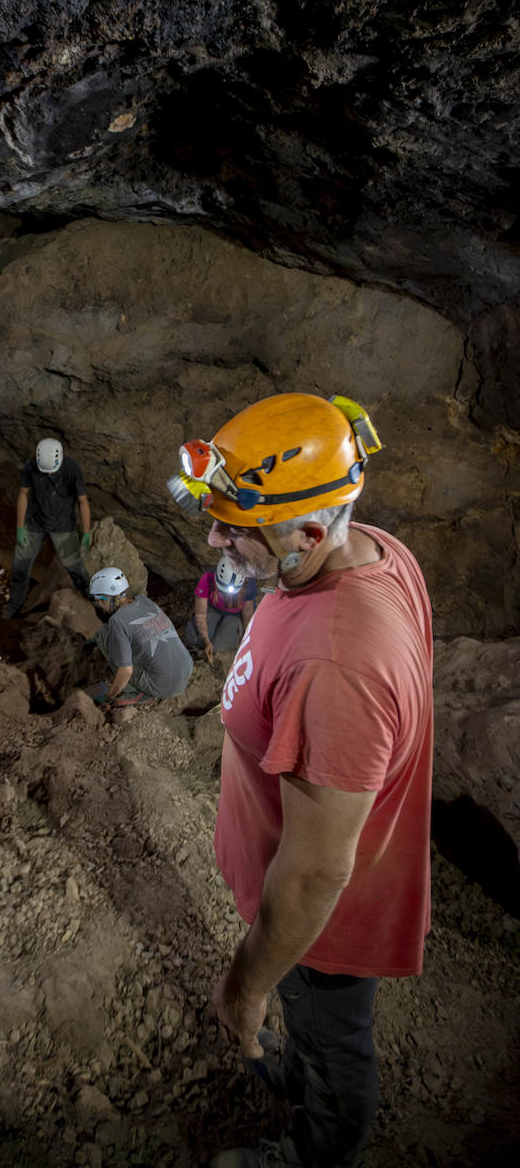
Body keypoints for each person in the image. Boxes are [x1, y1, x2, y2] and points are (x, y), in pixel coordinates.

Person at [167, 392, 433, 1168]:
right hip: (304, 903)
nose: (214, 537)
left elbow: (315, 873)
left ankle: (321, 1148)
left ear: (310, 531)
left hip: (324, 928)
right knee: (316, 1027)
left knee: (330, 1035)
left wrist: (243, 989)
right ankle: (304, 1069)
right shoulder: (370, 549)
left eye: (234, 528)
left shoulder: (338, 663)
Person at [2, 436, 91, 617]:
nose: (49, 474)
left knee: (75, 567)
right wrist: (20, 527)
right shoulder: (31, 466)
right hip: (35, 523)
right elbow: (23, 495)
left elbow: (83, 502)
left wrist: (87, 533)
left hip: (63, 526)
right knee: (20, 565)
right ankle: (15, 604)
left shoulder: (71, 469)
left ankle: (92, 600)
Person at [86, 566, 193, 706]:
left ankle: (135, 691)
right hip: (186, 670)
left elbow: (126, 670)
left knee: (102, 635)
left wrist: (110, 695)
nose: (99, 605)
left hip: (164, 686)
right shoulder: (143, 600)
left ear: (106, 598)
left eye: (98, 601)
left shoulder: (117, 621)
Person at [184, 555, 257, 659]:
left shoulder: (248, 582)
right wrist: (206, 641)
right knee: (195, 638)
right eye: (223, 590)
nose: (227, 595)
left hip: (235, 616)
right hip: (214, 609)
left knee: (218, 646)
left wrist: (247, 640)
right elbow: (200, 613)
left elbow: (248, 612)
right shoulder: (208, 577)